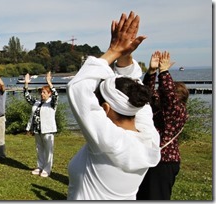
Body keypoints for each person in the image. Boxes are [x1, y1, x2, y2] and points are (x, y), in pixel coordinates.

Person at [66, 11, 161, 200]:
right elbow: (134, 93)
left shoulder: (108, 142)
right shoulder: (149, 138)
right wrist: (124, 55)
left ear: (106, 109)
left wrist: (114, 51)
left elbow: (78, 89)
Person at [137, 51, 189, 200]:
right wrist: (152, 72)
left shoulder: (176, 111)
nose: (157, 96)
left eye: (160, 95)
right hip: (152, 159)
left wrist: (164, 72)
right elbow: (146, 94)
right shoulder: (161, 110)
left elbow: (168, 96)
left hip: (164, 163)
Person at [24, 71, 59, 178]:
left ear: (49, 94)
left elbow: (56, 95)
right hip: (37, 130)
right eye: (41, 92)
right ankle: (39, 166)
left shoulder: (52, 103)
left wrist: (49, 82)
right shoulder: (37, 102)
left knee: (48, 151)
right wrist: (26, 84)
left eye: (44, 92)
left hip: (48, 130)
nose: (42, 94)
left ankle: (47, 169)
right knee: (39, 149)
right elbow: (27, 96)